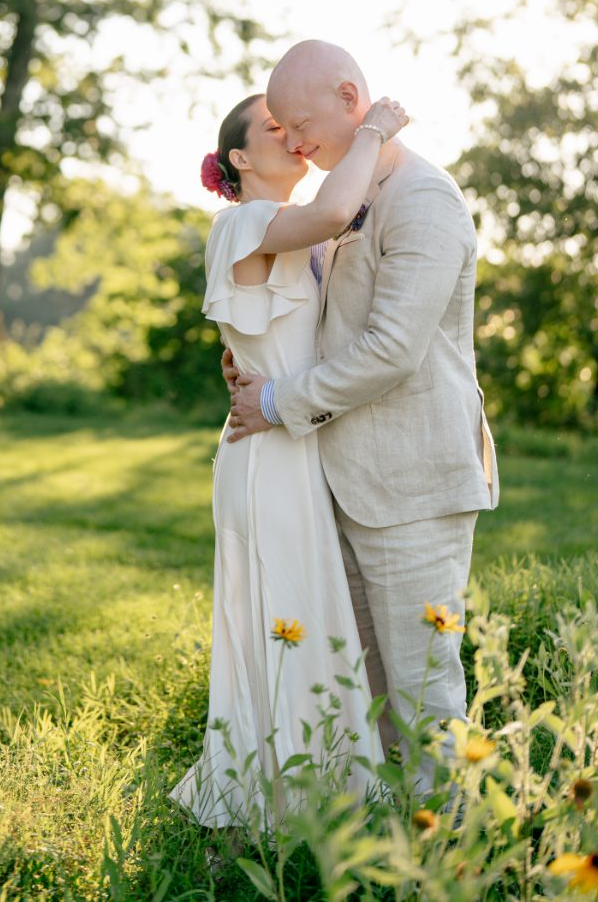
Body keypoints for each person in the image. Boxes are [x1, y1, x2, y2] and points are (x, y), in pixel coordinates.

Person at [224, 40, 499, 785]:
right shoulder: (336, 201)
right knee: (364, 692)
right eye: (278, 127)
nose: (291, 140)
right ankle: (383, 851)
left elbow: (390, 350)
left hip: (413, 484)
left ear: (352, 99)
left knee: (423, 696)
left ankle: (448, 861)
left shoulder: (424, 198)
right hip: (338, 482)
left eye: (300, 121)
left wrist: (277, 400)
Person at [170, 89, 408, 830]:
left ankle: (316, 780)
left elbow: (269, 334)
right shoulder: (249, 219)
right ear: (240, 158)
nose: (293, 138)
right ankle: (290, 797)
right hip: (267, 455)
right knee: (289, 611)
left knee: (304, 611)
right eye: (275, 129)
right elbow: (337, 211)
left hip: (281, 440)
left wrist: (243, 367)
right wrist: (373, 128)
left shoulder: (273, 229)